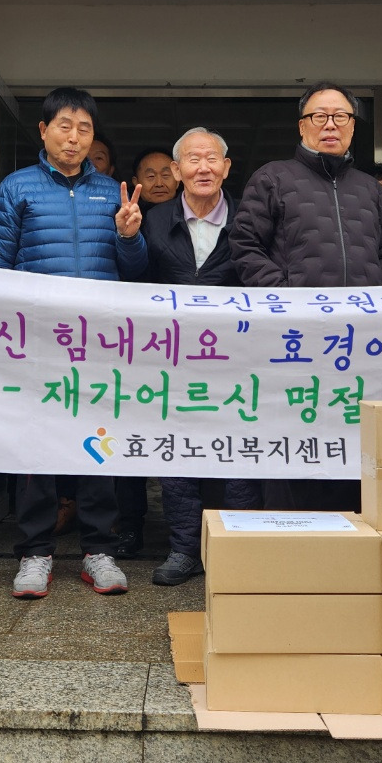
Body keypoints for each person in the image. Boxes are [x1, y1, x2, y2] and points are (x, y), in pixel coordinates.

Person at [0, 87, 147, 598]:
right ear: (44, 130)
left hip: (98, 342)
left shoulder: (112, 193)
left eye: (84, 129)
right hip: (38, 343)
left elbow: (135, 273)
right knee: (36, 447)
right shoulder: (17, 187)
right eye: (64, 126)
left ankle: (98, 550)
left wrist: (129, 236)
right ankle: (34, 552)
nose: (74, 138)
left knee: (97, 444)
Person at [230, 83, 382, 511]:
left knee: (356, 439)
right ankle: (291, 538)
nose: (330, 125)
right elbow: (245, 246)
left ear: (353, 126)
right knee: (294, 439)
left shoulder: (370, 189)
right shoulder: (273, 177)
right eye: (319, 116)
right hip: (294, 341)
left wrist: (379, 295)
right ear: (302, 125)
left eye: (341, 116)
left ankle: (353, 536)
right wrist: (286, 298)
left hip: (360, 340)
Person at [141, 127, 263, 585]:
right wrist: (128, 240)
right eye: (193, 160)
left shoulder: (251, 218)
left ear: (226, 168)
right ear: (177, 171)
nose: (203, 168)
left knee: (238, 449)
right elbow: (134, 281)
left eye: (212, 159)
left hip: (238, 358)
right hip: (173, 360)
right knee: (178, 453)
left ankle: (238, 547)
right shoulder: (153, 220)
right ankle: (183, 549)